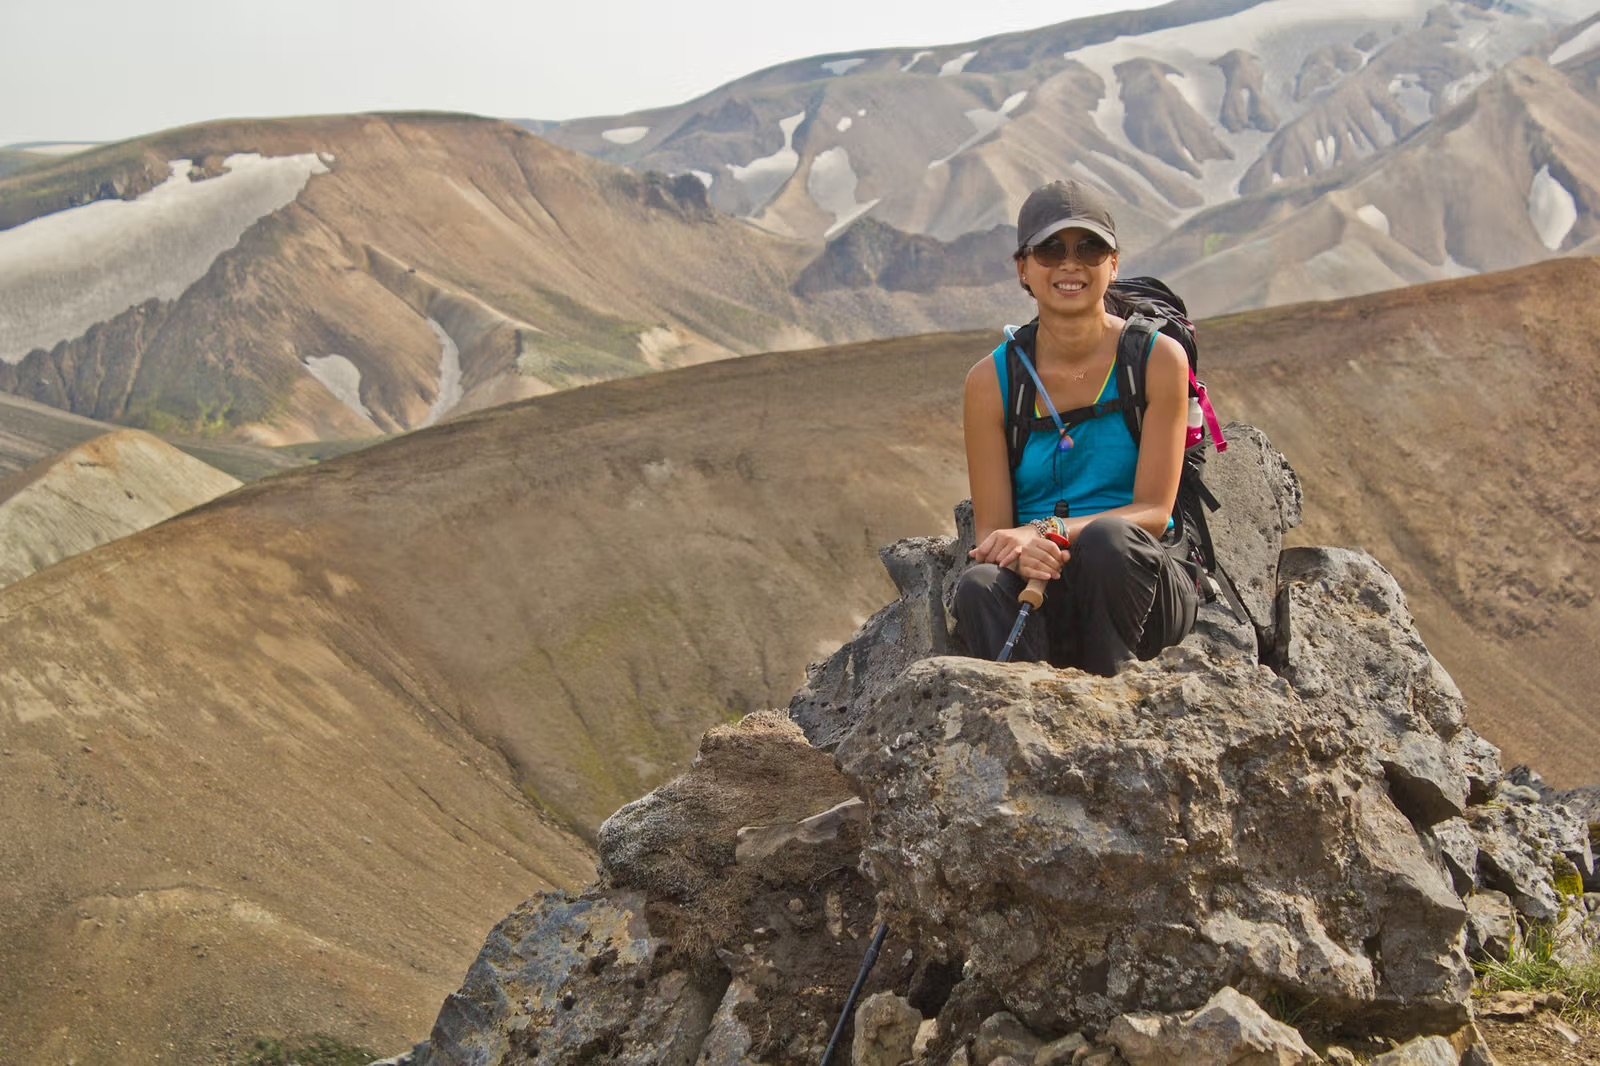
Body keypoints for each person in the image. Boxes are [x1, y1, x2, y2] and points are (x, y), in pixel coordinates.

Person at [953, 179, 1198, 675]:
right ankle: (1026, 716)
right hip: (1039, 583)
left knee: (1109, 539)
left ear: (1114, 263)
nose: (1070, 264)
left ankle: (1116, 695)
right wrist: (1026, 553)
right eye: (1050, 250)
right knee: (978, 588)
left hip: (1140, 580)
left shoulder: (1155, 360)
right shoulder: (990, 382)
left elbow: (1153, 511)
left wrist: (1050, 529)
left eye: (1090, 248)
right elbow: (994, 532)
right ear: (1023, 268)